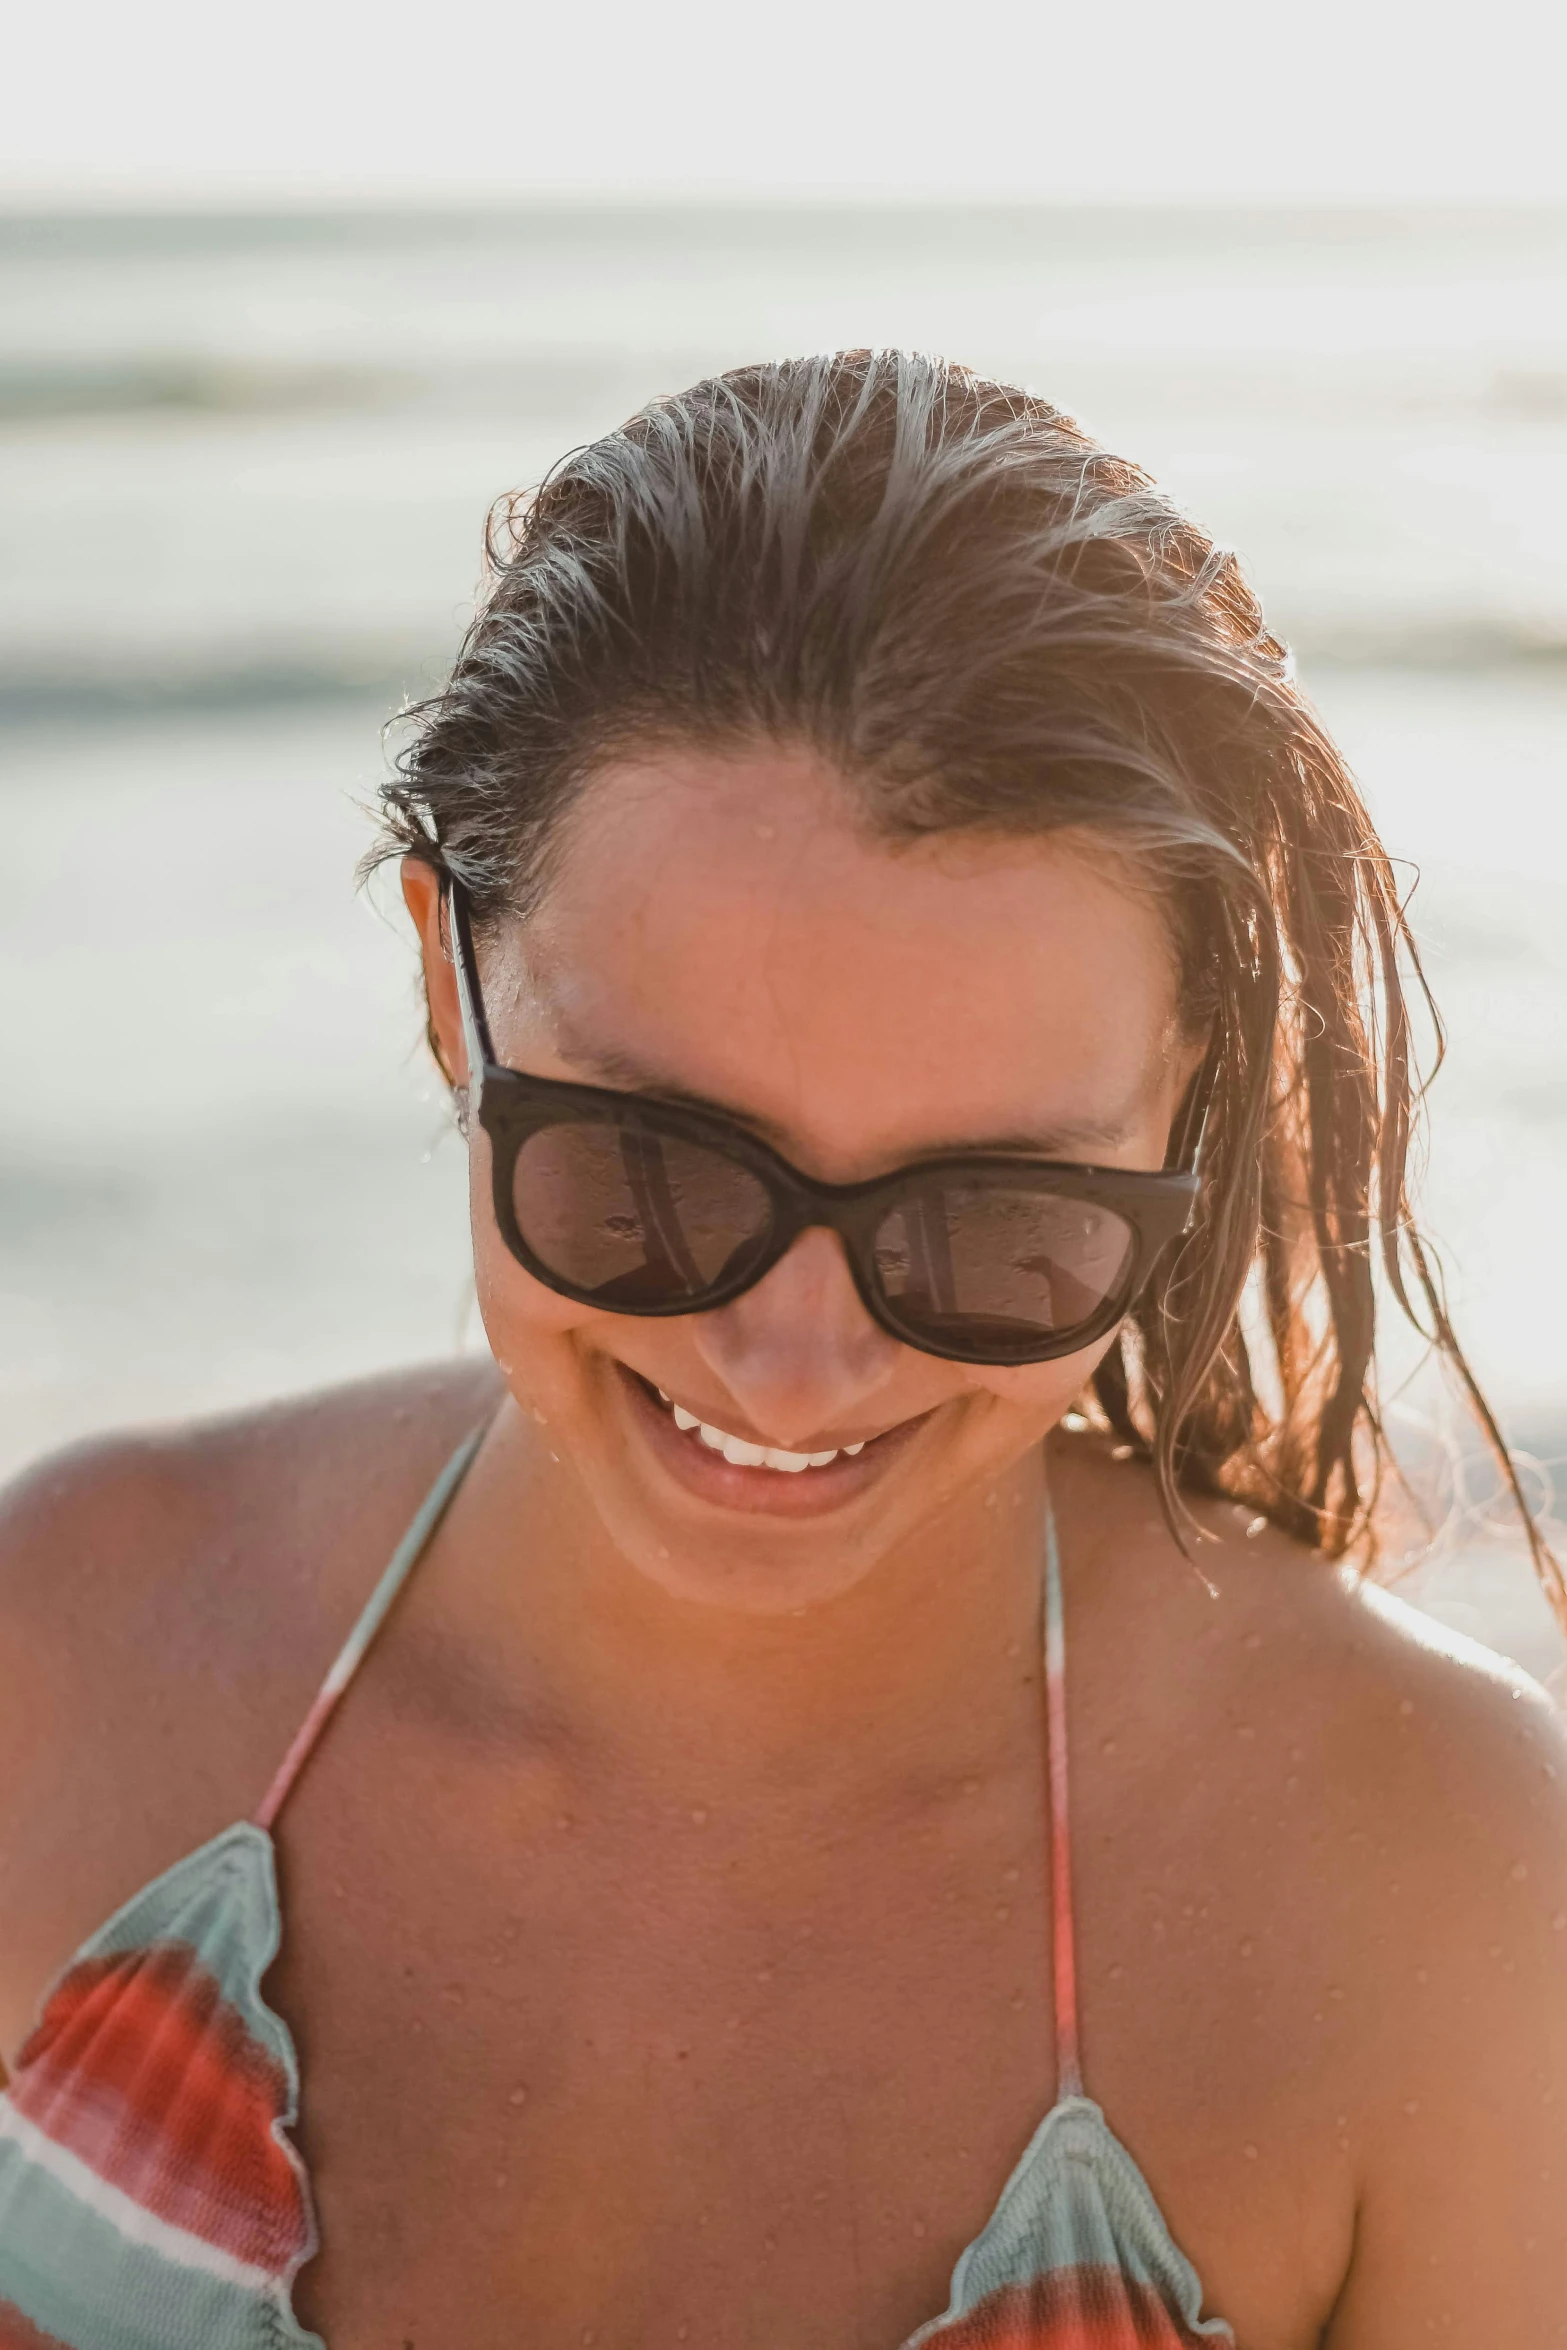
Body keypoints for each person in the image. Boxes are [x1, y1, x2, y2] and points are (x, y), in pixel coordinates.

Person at [1, 352, 1563, 2350]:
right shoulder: (66, 1640)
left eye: (995, 1217)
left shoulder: (1422, 1883)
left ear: (1184, 1112)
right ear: (438, 982)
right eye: (652, 1171)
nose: (797, 1362)